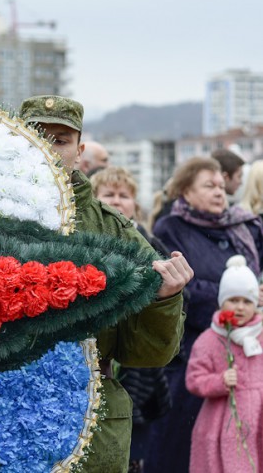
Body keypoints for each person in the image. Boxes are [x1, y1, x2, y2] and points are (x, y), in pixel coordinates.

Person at [18, 95, 192, 473]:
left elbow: (148, 353)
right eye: (37, 135)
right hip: (0, 412)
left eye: (61, 140)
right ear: (16, 139)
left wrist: (164, 299)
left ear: (79, 151)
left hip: (91, 417)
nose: (48, 148)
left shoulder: (113, 231)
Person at [148, 156, 263, 472]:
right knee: (184, 444)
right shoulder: (171, 227)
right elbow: (180, 285)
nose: (218, 192)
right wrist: (235, 296)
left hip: (245, 350)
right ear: (185, 190)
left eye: (221, 186)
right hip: (194, 349)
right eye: (208, 185)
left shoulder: (244, 225)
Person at [90, 166, 172, 472]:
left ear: (135, 205)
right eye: (109, 194)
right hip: (105, 357)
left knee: (136, 448)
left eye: (124, 196)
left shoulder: (148, 243)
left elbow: (174, 298)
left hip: (140, 365)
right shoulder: (88, 241)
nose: (118, 201)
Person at [186, 255, 263, 473]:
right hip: (222, 420)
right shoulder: (210, 339)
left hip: (258, 417)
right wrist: (219, 381)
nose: (240, 307)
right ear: (222, 301)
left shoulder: (261, 335)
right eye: (234, 300)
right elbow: (194, 379)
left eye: (247, 301)